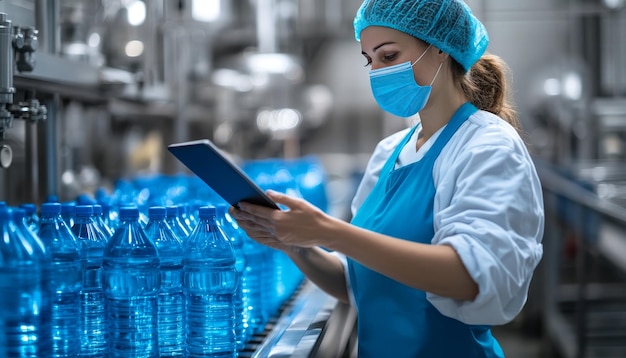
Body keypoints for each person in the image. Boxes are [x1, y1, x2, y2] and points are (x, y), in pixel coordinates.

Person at [230, 0, 544, 356]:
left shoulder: (487, 146)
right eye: (369, 60)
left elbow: (468, 278)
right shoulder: (390, 152)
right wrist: (293, 244)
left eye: (389, 56)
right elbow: (357, 281)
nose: (377, 71)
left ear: (440, 47)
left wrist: (330, 231)